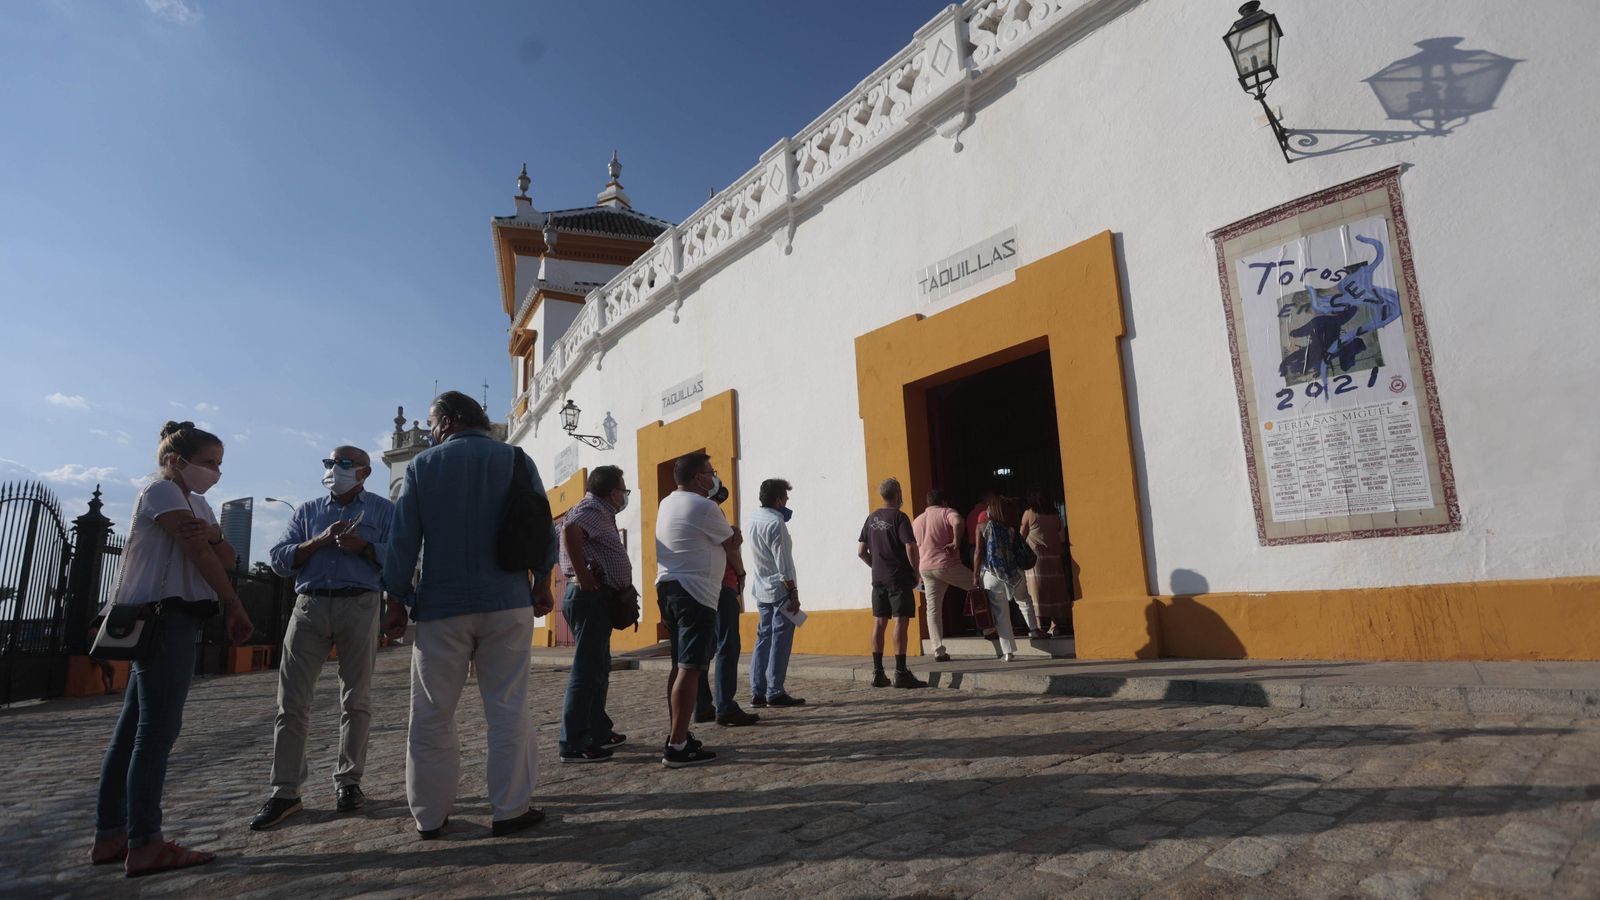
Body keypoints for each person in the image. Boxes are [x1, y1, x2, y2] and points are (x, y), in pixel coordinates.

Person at [382, 391, 557, 839]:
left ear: (448, 421)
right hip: (507, 600)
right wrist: (540, 581)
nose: (433, 431)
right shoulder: (516, 459)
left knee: (432, 712)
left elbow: (404, 539)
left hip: (442, 608)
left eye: (433, 423)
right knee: (507, 706)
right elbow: (541, 522)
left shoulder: (423, 466)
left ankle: (429, 815)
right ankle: (510, 808)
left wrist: (396, 599)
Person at [91, 421, 254, 877]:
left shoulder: (197, 502)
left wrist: (213, 535)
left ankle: (112, 834)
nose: (214, 472)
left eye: (218, 464)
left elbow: (226, 555)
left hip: (173, 618)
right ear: (175, 460)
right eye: (207, 463)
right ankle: (145, 842)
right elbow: (199, 555)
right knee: (154, 735)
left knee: (132, 731)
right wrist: (234, 603)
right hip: (167, 617)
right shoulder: (164, 492)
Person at [250, 446, 396, 830]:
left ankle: (349, 783)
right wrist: (316, 542)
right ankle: (285, 791)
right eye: (330, 463)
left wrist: (364, 547)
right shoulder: (307, 511)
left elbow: (399, 558)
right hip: (310, 604)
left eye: (344, 464)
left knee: (357, 698)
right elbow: (281, 558)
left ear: (364, 473)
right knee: (292, 702)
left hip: (360, 604)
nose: (335, 469)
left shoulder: (383, 511)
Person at [655, 452, 742, 766]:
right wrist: (734, 537)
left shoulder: (667, 502)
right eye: (710, 472)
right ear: (696, 478)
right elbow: (730, 543)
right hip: (696, 592)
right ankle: (678, 744)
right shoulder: (705, 506)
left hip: (670, 587)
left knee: (680, 665)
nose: (713, 476)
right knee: (691, 667)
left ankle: (677, 732)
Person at [557, 465, 631, 763]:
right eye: (623, 491)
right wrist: (583, 576)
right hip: (590, 597)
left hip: (598, 598)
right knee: (587, 671)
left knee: (599, 667)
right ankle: (573, 741)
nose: (624, 496)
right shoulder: (591, 509)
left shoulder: (599, 511)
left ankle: (598, 730)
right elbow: (570, 530)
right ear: (612, 491)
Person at [693, 484, 760, 727]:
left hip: (701, 587)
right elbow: (729, 547)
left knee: (704, 647)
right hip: (722, 585)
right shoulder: (710, 510)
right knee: (727, 644)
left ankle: (701, 704)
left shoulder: (686, 510)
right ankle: (725, 706)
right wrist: (741, 572)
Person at [857, 477, 927, 688]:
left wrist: (875, 566)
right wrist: (916, 572)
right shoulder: (899, 517)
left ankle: (878, 672)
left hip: (878, 578)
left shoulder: (871, 518)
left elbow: (861, 551)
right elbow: (911, 547)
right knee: (900, 620)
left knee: (879, 621)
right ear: (897, 494)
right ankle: (900, 671)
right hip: (898, 576)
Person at [747, 478, 803, 707]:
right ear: (779, 500)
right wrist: (794, 592)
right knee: (780, 640)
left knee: (763, 638)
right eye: (785, 497)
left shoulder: (753, 518)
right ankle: (775, 690)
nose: (787, 500)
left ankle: (757, 691)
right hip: (780, 589)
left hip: (761, 587)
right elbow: (784, 564)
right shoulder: (776, 523)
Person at [974, 496, 1036, 661]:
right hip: (1015, 573)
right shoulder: (1012, 528)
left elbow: (978, 553)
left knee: (1001, 614)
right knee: (1024, 600)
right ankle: (1035, 631)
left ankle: (1008, 652)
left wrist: (975, 575)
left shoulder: (981, 527)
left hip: (993, 575)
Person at [912, 489, 971, 663]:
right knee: (979, 587)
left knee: (933, 609)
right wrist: (956, 541)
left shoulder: (917, 520)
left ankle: (938, 650)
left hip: (925, 568)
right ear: (944, 501)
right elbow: (959, 521)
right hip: (946, 564)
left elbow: (913, 547)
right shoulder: (947, 512)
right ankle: (989, 628)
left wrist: (917, 571)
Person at [1020, 487, 1072, 638]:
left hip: (1036, 558)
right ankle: (1055, 625)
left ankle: (1038, 626)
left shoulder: (1029, 513)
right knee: (1054, 590)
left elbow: (1022, 535)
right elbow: (1061, 536)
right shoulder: (1055, 515)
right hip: (1055, 556)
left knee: (1037, 591)